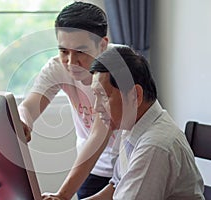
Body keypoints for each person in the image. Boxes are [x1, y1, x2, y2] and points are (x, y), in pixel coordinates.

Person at [18, 2, 115, 199]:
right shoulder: (56, 68)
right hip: (92, 168)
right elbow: (29, 106)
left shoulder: (119, 69)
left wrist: (62, 195)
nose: (71, 62)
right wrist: (22, 122)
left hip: (130, 164)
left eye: (80, 51)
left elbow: (98, 136)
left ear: (103, 44)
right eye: (64, 51)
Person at [83, 45, 205, 199]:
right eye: (96, 96)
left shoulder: (155, 146)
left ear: (135, 95)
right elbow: (116, 187)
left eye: (103, 96)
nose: (96, 107)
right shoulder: (133, 125)